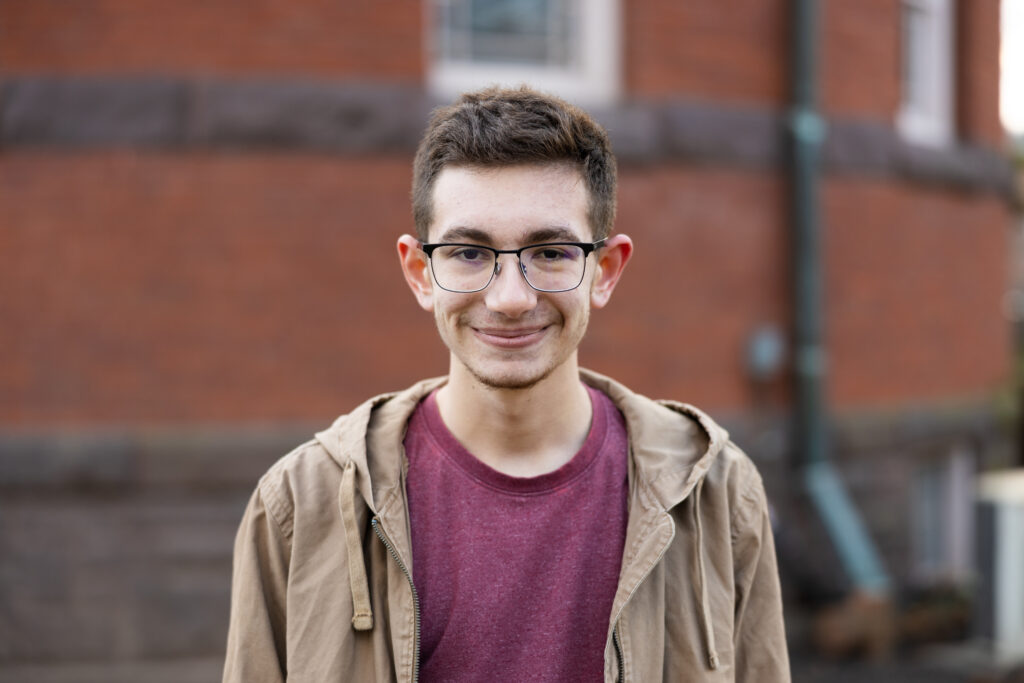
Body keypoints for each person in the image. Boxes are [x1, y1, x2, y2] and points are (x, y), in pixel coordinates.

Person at [223, 86, 789, 682]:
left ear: (605, 270)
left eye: (550, 252)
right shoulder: (299, 504)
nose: (511, 298)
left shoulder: (717, 494)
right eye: (469, 252)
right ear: (420, 273)